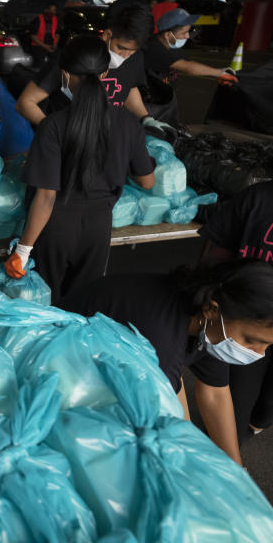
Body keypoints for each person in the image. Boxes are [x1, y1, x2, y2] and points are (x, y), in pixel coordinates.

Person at [60, 259, 273, 465]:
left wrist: (235, 470)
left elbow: (215, 393)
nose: (259, 353)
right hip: (60, 363)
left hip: (100, 359)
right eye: (251, 341)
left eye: (267, 346)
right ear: (213, 309)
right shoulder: (161, 337)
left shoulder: (208, 320)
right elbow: (162, 423)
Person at [6, 35, 155, 300]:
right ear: (106, 73)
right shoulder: (129, 124)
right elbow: (147, 182)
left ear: (64, 73)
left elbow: (47, 195)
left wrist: (22, 250)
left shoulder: (53, 125)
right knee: (83, 305)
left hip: (56, 228)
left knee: (44, 304)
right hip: (98, 229)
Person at [199, 182, 273, 444]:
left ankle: (255, 424)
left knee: (265, 408)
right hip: (247, 327)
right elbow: (214, 254)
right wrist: (205, 296)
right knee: (233, 405)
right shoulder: (257, 198)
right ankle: (225, 446)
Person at [16, 5, 155, 127]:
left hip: (106, 138)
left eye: (132, 50)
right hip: (69, 138)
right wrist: (54, 131)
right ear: (107, 35)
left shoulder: (136, 58)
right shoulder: (75, 54)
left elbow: (129, 87)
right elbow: (26, 102)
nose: (125, 55)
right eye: (121, 48)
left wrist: (146, 118)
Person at [144, 8, 238, 86]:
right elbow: (188, 67)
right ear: (168, 35)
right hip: (150, 101)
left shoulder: (170, 45)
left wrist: (218, 74)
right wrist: (219, 73)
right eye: (184, 33)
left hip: (165, 94)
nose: (188, 36)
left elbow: (189, 62)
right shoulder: (154, 48)